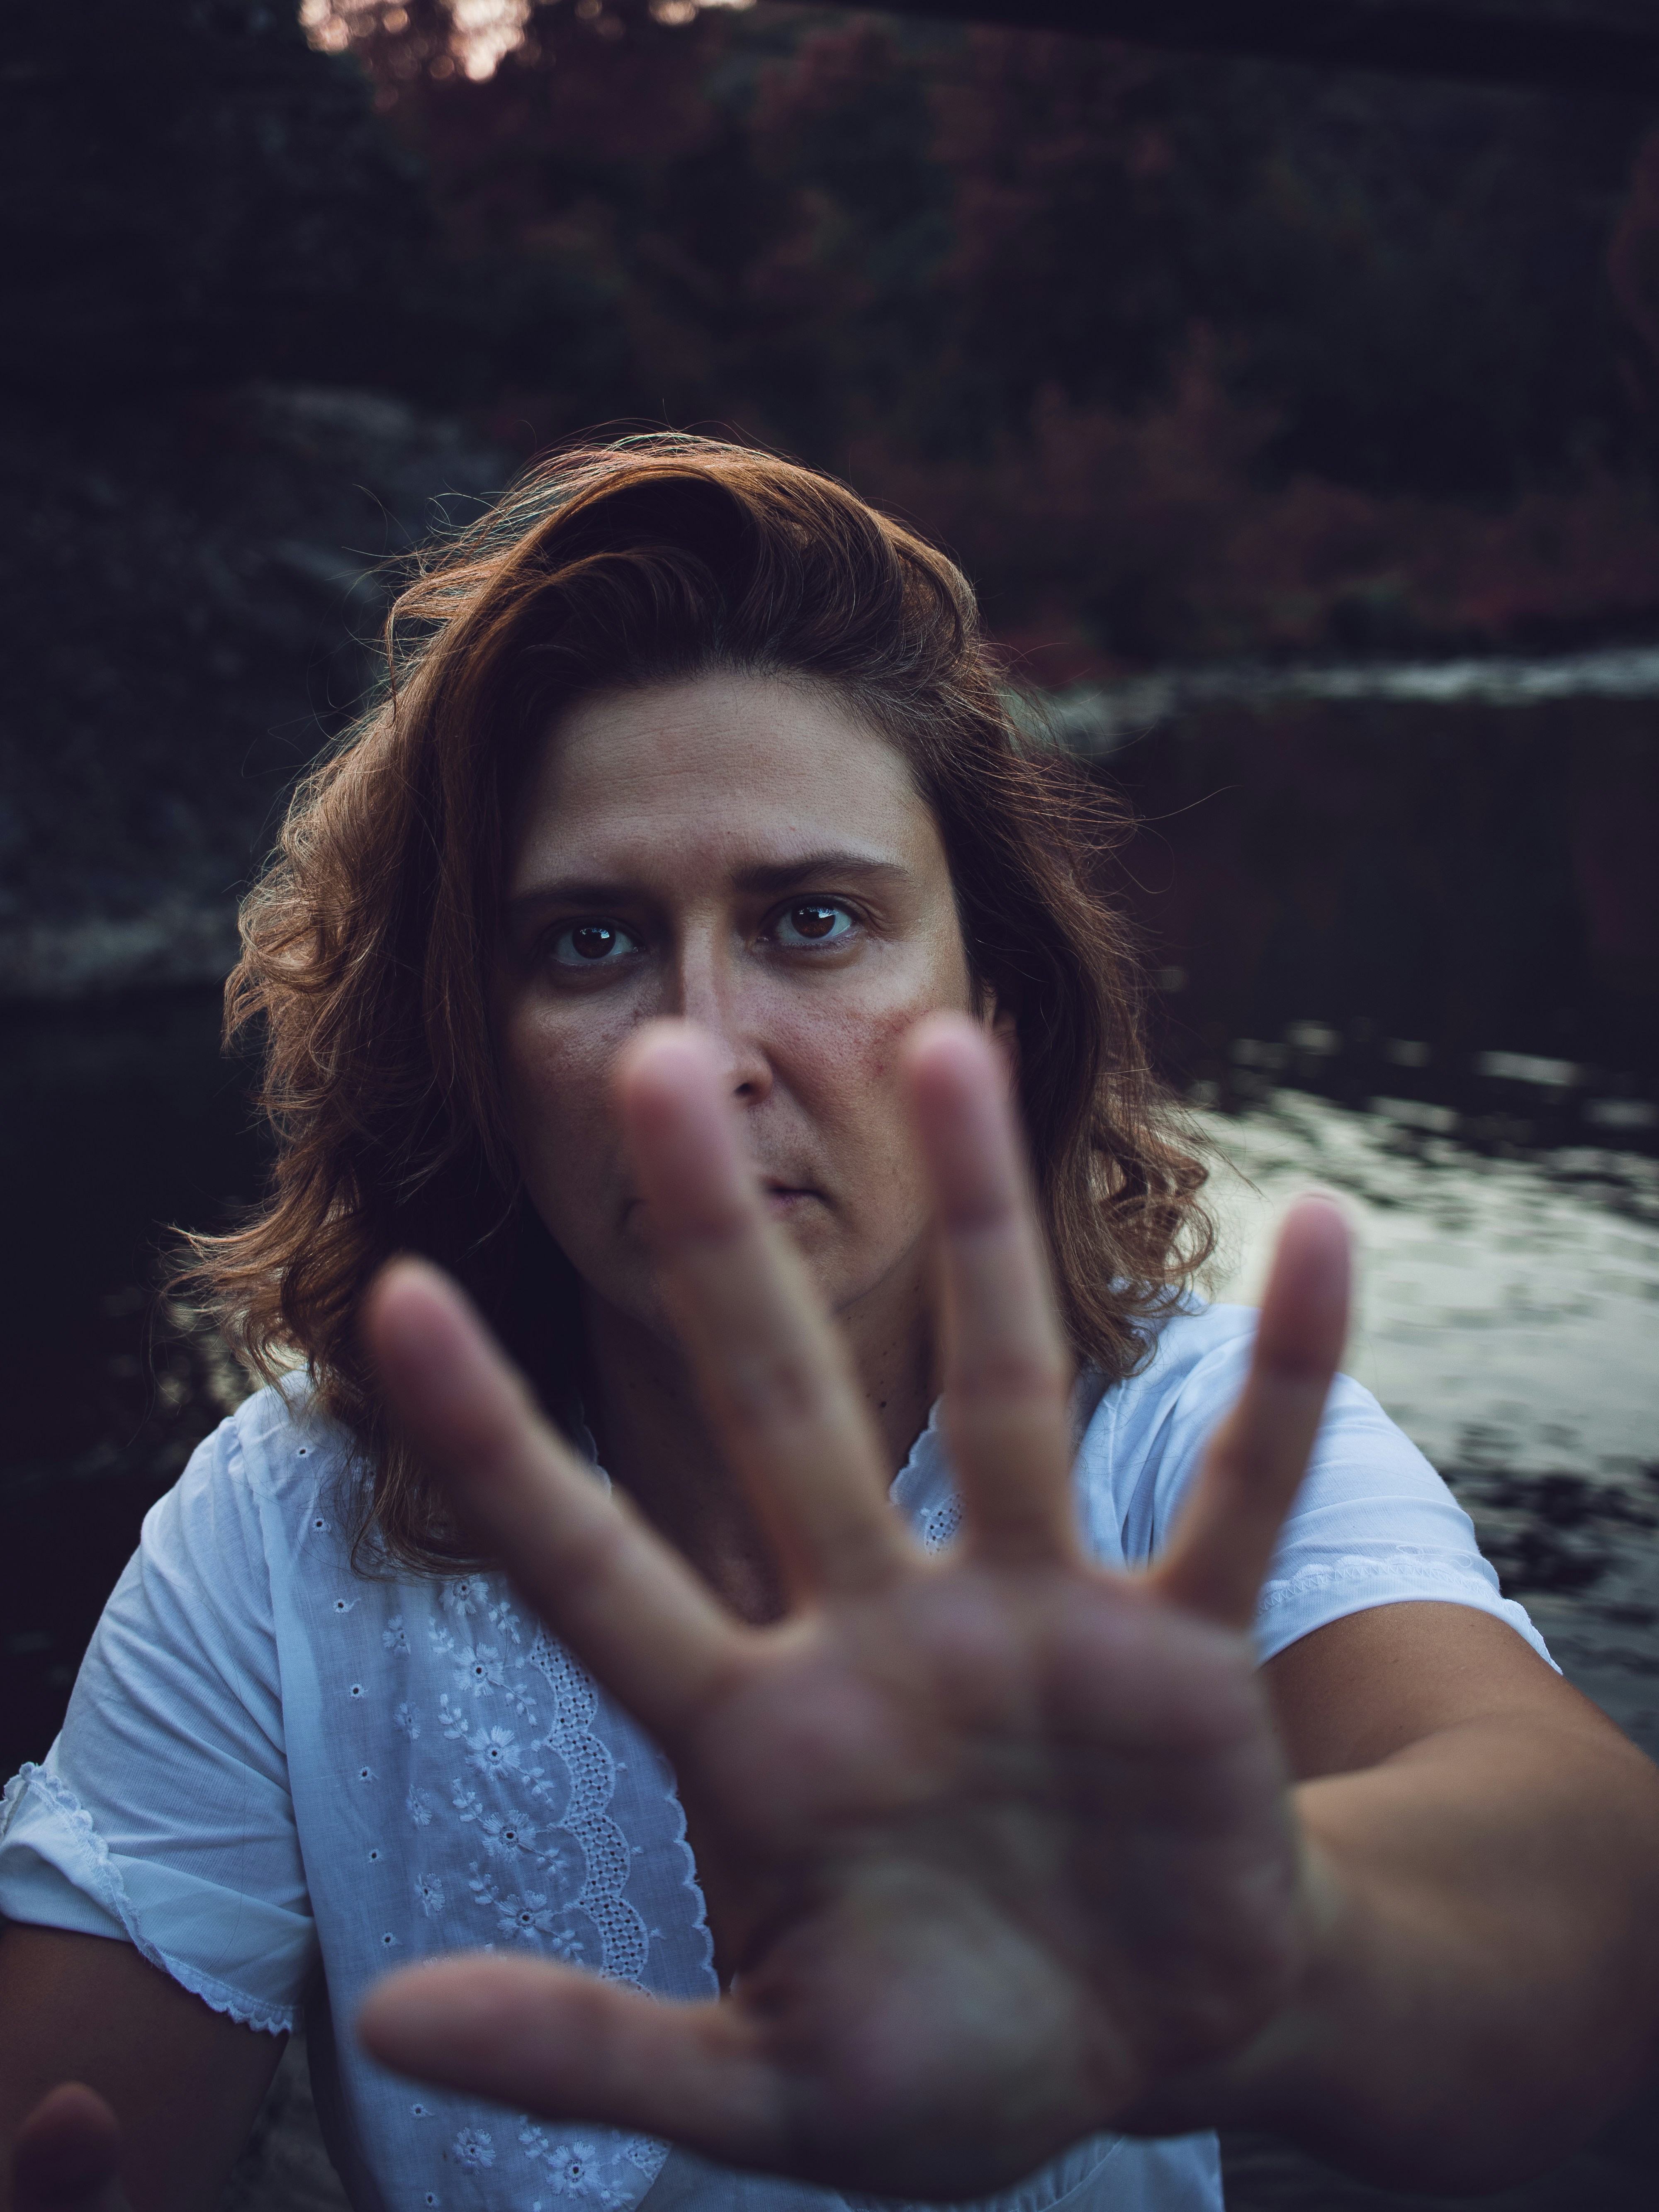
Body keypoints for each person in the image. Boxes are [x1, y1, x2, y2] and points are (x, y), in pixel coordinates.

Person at [2, 437, 1657, 2212]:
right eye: (585, 943)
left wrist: (1236, 1942)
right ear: (472, 1050)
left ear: (997, 1005)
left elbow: (1580, 1901)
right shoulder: (280, 1528)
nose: (696, 1054)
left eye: (810, 920)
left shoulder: (1181, 1427)